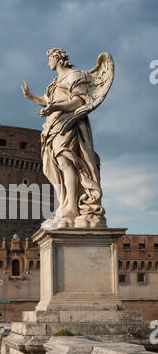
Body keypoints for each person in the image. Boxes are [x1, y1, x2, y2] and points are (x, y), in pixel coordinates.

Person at [21, 48, 112, 230]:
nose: (48, 64)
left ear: (57, 58)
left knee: (66, 160)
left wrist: (55, 107)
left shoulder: (75, 76)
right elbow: (48, 102)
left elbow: (78, 102)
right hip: (53, 126)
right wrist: (31, 97)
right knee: (53, 166)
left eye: (49, 59)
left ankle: (71, 207)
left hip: (69, 123)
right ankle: (64, 204)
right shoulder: (55, 82)